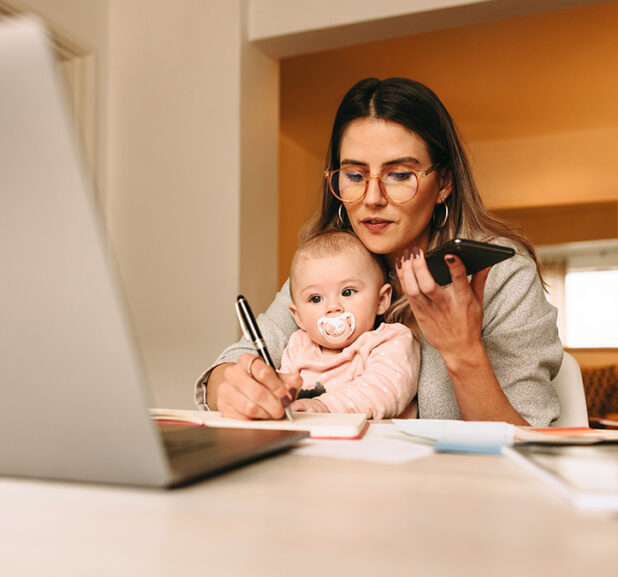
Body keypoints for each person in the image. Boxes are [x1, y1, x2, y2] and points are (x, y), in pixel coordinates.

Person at [195, 77, 562, 426]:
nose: (372, 199)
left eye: (399, 175)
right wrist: (229, 385)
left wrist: (463, 353)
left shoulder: (500, 274)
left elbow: (530, 443)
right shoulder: (329, 265)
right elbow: (235, 361)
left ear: (444, 183)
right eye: (355, 176)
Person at [281, 229, 419, 419]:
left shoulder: (390, 340)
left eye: (347, 292)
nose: (332, 307)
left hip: (373, 444)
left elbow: (383, 390)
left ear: (381, 301)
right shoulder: (298, 345)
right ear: (299, 318)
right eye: (315, 298)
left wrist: (324, 406)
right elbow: (283, 392)